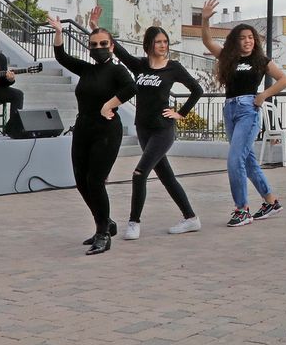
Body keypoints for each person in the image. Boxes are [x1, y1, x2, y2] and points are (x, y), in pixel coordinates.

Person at [199, 0, 286, 226]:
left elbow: (284, 80)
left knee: (234, 160)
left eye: (251, 37)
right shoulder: (228, 57)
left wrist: (263, 96)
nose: (248, 41)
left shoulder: (260, 60)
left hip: (248, 110)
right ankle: (271, 201)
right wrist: (204, 19)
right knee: (247, 160)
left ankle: (242, 210)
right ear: (235, 41)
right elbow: (207, 41)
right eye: (243, 38)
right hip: (230, 108)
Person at [49, 15, 136, 255]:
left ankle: (103, 233)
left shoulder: (117, 70)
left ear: (111, 46)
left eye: (103, 44)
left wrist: (110, 104)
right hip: (83, 128)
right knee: (81, 181)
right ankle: (105, 221)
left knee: (96, 181)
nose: (98, 48)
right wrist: (58, 32)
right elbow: (61, 57)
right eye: (94, 45)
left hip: (107, 130)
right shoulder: (86, 69)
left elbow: (131, 87)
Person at [112, 25, 204, 239]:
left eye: (165, 42)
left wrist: (180, 113)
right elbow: (119, 51)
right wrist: (97, 28)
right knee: (167, 177)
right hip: (143, 128)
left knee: (139, 173)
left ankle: (134, 223)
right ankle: (191, 218)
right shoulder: (140, 65)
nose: (163, 45)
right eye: (159, 42)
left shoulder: (173, 67)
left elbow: (197, 90)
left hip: (163, 130)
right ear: (149, 44)